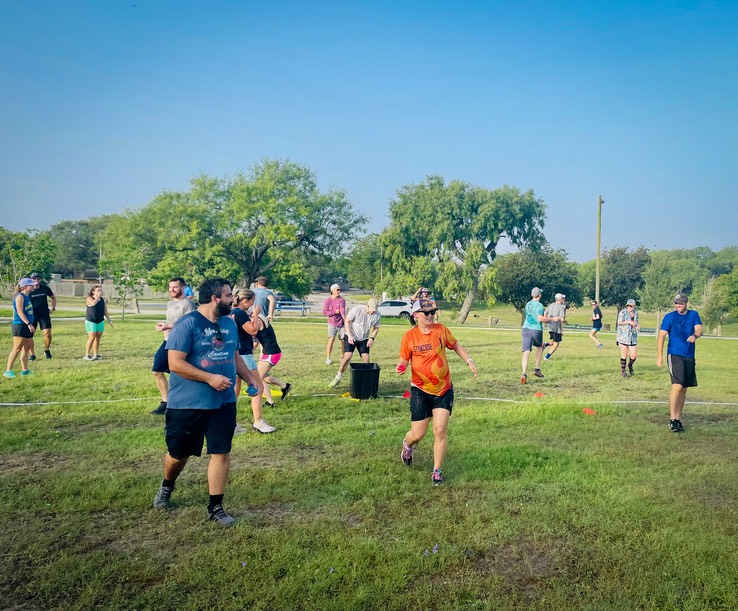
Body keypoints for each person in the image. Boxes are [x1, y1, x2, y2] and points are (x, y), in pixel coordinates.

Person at [152, 277, 253, 527]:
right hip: (187, 404)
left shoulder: (229, 325)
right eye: (229, 295)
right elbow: (175, 364)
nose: (233, 300)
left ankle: (215, 507)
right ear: (214, 298)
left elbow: (234, 356)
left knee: (221, 453)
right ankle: (167, 486)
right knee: (178, 454)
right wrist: (209, 378)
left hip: (223, 403)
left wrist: (252, 379)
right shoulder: (187, 325)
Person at [396, 299, 477, 486]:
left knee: (440, 430)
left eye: (433, 311)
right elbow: (403, 359)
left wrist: (469, 361)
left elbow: (455, 345)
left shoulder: (441, 330)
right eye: (427, 313)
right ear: (416, 315)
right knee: (418, 434)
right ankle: (407, 445)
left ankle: (437, 471)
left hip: (443, 389)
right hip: (420, 390)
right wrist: (401, 366)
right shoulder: (409, 336)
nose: (431, 315)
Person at [230, 288, 275, 433]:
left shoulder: (231, 312)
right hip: (244, 355)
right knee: (258, 387)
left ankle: (230, 422)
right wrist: (255, 315)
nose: (252, 305)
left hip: (234, 353)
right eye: (252, 302)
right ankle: (258, 421)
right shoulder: (241, 314)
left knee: (234, 391)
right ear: (245, 301)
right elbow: (253, 331)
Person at [657, 293, 703, 433]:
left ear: (686, 303)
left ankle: (678, 418)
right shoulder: (669, 317)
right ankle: (672, 420)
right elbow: (662, 336)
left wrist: (695, 336)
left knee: (684, 388)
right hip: (674, 354)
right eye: (676, 303)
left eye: (681, 303)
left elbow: (699, 329)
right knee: (677, 386)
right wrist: (659, 356)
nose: (678, 306)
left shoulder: (693, 315)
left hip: (688, 355)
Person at [151, 277, 197, 414]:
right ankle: (166, 402)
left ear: (183, 288)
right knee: (157, 370)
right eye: (170, 287)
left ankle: (189, 402)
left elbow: (191, 324)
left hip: (182, 342)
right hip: (168, 340)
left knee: (183, 373)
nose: (172, 289)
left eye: (175, 287)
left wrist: (169, 326)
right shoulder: (170, 303)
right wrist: (164, 327)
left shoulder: (188, 304)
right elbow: (171, 321)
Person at [328, 298, 381, 388]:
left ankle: (365, 380)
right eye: (371, 310)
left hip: (364, 338)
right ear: (367, 306)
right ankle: (338, 376)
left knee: (366, 357)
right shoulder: (357, 309)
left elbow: (376, 328)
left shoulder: (377, 315)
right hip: (350, 335)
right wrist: (349, 335)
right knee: (347, 356)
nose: (372, 312)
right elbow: (347, 321)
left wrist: (371, 338)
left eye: (374, 311)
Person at [520, 287, 562, 384]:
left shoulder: (528, 304)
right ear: (539, 295)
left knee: (526, 352)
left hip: (526, 328)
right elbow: (539, 318)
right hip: (536, 330)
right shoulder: (539, 305)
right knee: (539, 347)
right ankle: (537, 369)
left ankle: (523, 373)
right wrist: (553, 319)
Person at [255, 312, 291, 406]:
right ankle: (284, 386)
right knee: (263, 377)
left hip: (271, 353)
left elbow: (253, 334)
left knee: (257, 378)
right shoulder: (263, 321)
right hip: (271, 352)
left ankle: (270, 402)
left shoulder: (258, 321)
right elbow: (262, 341)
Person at [4, 278, 36, 378]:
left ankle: (25, 370)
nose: (33, 286)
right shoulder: (20, 297)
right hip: (20, 325)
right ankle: (8, 371)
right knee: (17, 348)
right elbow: (19, 312)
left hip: (27, 325)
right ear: (25, 286)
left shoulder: (27, 296)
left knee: (26, 348)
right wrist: (28, 324)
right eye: (31, 285)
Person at [28, 272, 56, 360]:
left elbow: (53, 297)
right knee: (30, 335)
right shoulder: (28, 290)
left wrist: (53, 308)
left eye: (38, 278)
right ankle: (32, 354)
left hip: (44, 314)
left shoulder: (45, 288)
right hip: (32, 315)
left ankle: (46, 350)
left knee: (47, 333)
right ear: (31, 279)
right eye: (34, 278)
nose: (36, 280)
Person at [83, 285, 112, 361]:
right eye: (98, 290)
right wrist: (98, 297)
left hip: (100, 320)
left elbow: (105, 311)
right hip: (91, 321)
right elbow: (93, 304)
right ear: (93, 292)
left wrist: (109, 320)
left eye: (101, 290)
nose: (100, 292)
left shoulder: (102, 300)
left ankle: (95, 354)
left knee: (98, 338)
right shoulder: (89, 298)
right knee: (92, 337)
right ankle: (87, 355)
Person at [322, 283, 346, 365]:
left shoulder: (342, 300)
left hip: (341, 323)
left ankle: (344, 357)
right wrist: (334, 312)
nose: (339, 291)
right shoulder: (328, 300)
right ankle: (328, 358)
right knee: (331, 339)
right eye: (338, 290)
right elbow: (325, 312)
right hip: (332, 323)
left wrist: (344, 317)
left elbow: (342, 310)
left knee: (343, 340)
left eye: (340, 290)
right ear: (333, 291)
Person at [616, 298, 639, 377]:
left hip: (632, 336)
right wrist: (629, 322)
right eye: (628, 305)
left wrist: (636, 326)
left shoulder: (636, 313)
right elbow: (619, 322)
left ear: (634, 306)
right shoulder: (623, 312)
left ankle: (630, 365)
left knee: (633, 355)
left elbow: (636, 322)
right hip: (623, 336)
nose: (629, 307)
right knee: (624, 354)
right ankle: (623, 371)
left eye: (631, 306)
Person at [543, 293, 567, 360]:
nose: (563, 299)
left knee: (552, 342)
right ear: (560, 299)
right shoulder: (561, 307)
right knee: (556, 344)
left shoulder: (551, 305)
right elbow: (562, 319)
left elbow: (545, 312)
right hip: (556, 328)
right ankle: (547, 357)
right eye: (563, 298)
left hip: (550, 326)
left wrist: (547, 320)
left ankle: (545, 344)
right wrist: (565, 323)